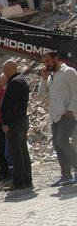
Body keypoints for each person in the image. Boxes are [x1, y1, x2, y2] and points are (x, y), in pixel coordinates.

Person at [39, 51, 77, 186]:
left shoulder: (69, 72)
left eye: (48, 61)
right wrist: (43, 79)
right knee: (57, 144)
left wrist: (71, 109)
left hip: (68, 114)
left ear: (56, 59)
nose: (46, 64)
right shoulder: (51, 77)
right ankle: (66, 175)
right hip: (55, 117)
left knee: (62, 140)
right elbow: (41, 94)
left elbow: (76, 91)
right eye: (44, 62)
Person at [1, 60, 32, 190]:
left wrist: (6, 122)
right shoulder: (22, 80)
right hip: (21, 120)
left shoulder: (14, 82)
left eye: (4, 71)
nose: (4, 73)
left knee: (16, 152)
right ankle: (26, 180)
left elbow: (12, 106)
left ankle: (19, 181)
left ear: (9, 69)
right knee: (23, 151)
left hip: (14, 122)